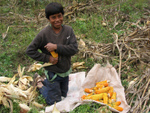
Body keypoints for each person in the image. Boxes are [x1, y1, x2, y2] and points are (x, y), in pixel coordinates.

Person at [26, 2, 78, 105]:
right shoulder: (44, 34)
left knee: (64, 94)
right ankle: (40, 85)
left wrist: (56, 47)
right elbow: (30, 50)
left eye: (59, 16)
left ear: (63, 15)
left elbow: (74, 49)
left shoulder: (68, 31)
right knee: (54, 101)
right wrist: (48, 58)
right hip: (53, 73)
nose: (57, 20)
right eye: (53, 17)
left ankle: (45, 82)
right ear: (48, 19)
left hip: (65, 71)